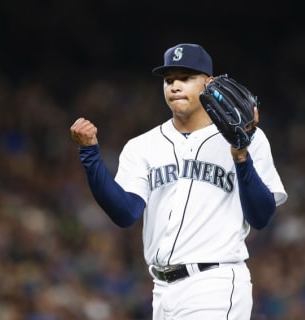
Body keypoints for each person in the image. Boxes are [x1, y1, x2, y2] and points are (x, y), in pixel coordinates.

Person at [70, 43, 287, 319]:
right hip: (162, 291)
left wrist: (241, 156)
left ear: (208, 83)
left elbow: (260, 216)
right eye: (169, 80)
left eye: (185, 78)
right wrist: (90, 155)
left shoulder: (249, 137)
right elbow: (125, 213)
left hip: (215, 284)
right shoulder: (142, 146)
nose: (175, 86)